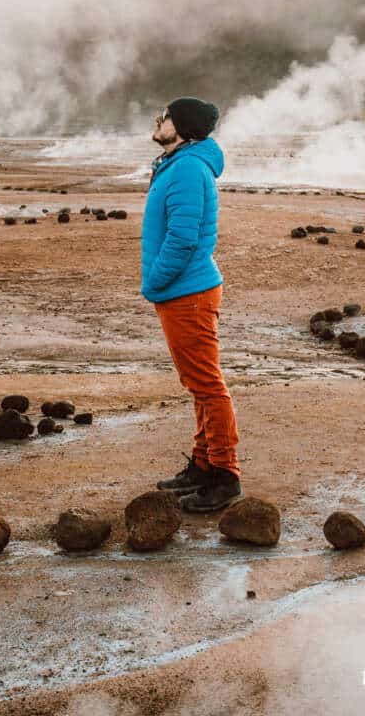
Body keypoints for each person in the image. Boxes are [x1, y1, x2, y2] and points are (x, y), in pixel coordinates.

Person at [141, 96, 242, 512]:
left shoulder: (185, 170)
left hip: (187, 293)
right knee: (197, 384)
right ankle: (202, 465)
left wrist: (154, 282)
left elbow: (183, 240)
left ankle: (225, 474)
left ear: (181, 127)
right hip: (182, 291)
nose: (158, 119)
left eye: (165, 115)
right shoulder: (176, 164)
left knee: (207, 385)